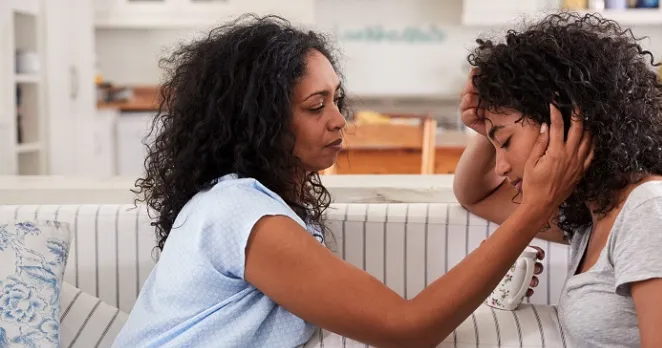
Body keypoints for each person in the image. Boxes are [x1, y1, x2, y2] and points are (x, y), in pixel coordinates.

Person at [112, 14, 593, 348]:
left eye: (337, 100)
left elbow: (473, 195)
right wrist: (533, 209)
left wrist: (486, 137)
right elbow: (409, 328)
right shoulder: (244, 215)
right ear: (257, 121)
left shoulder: (251, 203)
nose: (340, 121)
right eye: (316, 106)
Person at [453, 11, 662, 348]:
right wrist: (489, 129)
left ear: (564, 122)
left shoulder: (653, 211)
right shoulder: (592, 218)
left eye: (507, 142)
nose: (500, 167)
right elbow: (475, 196)